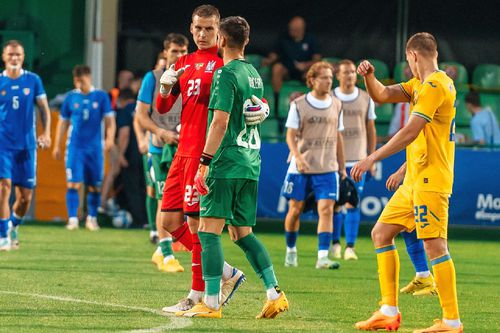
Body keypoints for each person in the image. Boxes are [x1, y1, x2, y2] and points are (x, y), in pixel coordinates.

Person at [155, 5, 264, 313]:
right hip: (182, 152)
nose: (203, 34)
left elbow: (253, 99)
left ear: (220, 32)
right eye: (198, 28)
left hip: (206, 154)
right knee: (169, 221)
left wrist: (262, 109)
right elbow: (163, 109)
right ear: (191, 29)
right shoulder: (184, 62)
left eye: (209, 29)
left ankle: (196, 295)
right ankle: (227, 271)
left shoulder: (225, 64)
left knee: (196, 224)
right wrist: (165, 88)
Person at [178, 15, 288, 319]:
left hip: (225, 163)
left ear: (222, 40)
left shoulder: (225, 75)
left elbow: (221, 121)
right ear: (247, 41)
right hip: (251, 162)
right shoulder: (254, 73)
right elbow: (256, 108)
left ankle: (211, 302)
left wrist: (204, 162)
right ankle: (273, 292)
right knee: (242, 234)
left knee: (208, 232)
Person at [352, 32, 462, 332]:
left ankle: (452, 321)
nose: (409, 64)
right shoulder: (419, 85)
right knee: (381, 233)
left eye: (408, 60)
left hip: (431, 179)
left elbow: (411, 131)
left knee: (435, 246)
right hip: (414, 178)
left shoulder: (436, 85)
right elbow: (382, 95)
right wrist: (369, 77)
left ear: (413, 55)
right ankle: (388, 311)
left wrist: (372, 157)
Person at [281, 61, 345, 269]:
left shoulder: (337, 104)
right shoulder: (298, 104)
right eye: (325, 77)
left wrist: (342, 167)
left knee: (326, 209)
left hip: (327, 167)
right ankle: (291, 250)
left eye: (330, 77)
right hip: (302, 166)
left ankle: (323, 257)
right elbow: (290, 135)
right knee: (295, 209)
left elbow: (338, 135)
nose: (329, 81)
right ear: (312, 80)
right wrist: (297, 156)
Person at [134, 32, 189, 272]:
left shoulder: (192, 78)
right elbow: (141, 115)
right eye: (175, 51)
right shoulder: (153, 78)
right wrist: (159, 131)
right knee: (163, 198)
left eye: (183, 51)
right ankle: (165, 253)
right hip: (159, 148)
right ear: (165, 53)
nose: (179, 56)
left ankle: (164, 249)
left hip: (185, 147)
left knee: (184, 202)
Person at [0, 40, 51, 250]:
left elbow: (44, 109)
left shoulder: (33, 80)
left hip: (27, 147)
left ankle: (13, 225)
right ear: (4, 56)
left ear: (23, 57)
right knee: (4, 187)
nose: (14, 58)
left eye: (18, 55)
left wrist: (46, 133)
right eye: (11, 54)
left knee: (25, 197)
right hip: (3, 145)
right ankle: (3, 236)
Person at [52, 65, 116, 231]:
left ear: (89, 78)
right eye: (77, 80)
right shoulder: (71, 98)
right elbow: (63, 122)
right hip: (75, 148)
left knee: (94, 185)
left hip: (95, 148)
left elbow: (110, 121)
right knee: (74, 183)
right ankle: (73, 219)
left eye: (82, 80)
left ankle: (92, 219)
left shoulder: (101, 96)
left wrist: (109, 138)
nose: (80, 83)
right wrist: (57, 145)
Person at [330, 59, 377, 261]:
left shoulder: (366, 98)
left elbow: (371, 129)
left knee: (353, 204)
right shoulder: (330, 97)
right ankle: (334, 244)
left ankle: (350, 247)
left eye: (352, 72)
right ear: (338, 75)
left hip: (358, 159)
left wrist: (371, 157)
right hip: (333, 160)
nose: (350, 75)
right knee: (333, 204)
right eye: (345, 72)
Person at [262, 16, 321, 110]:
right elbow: (274, 54)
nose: (291, 31)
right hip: (288, 70)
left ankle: (316, 103)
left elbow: (317, 60)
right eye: (290, 29)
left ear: (302, 29)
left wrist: (306, 65)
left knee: (317, 72)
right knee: (277, 68)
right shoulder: (283, 38)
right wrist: (269, 60)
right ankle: (276, 101)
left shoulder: (311, 39)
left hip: (304, 72)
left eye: (294, 29)